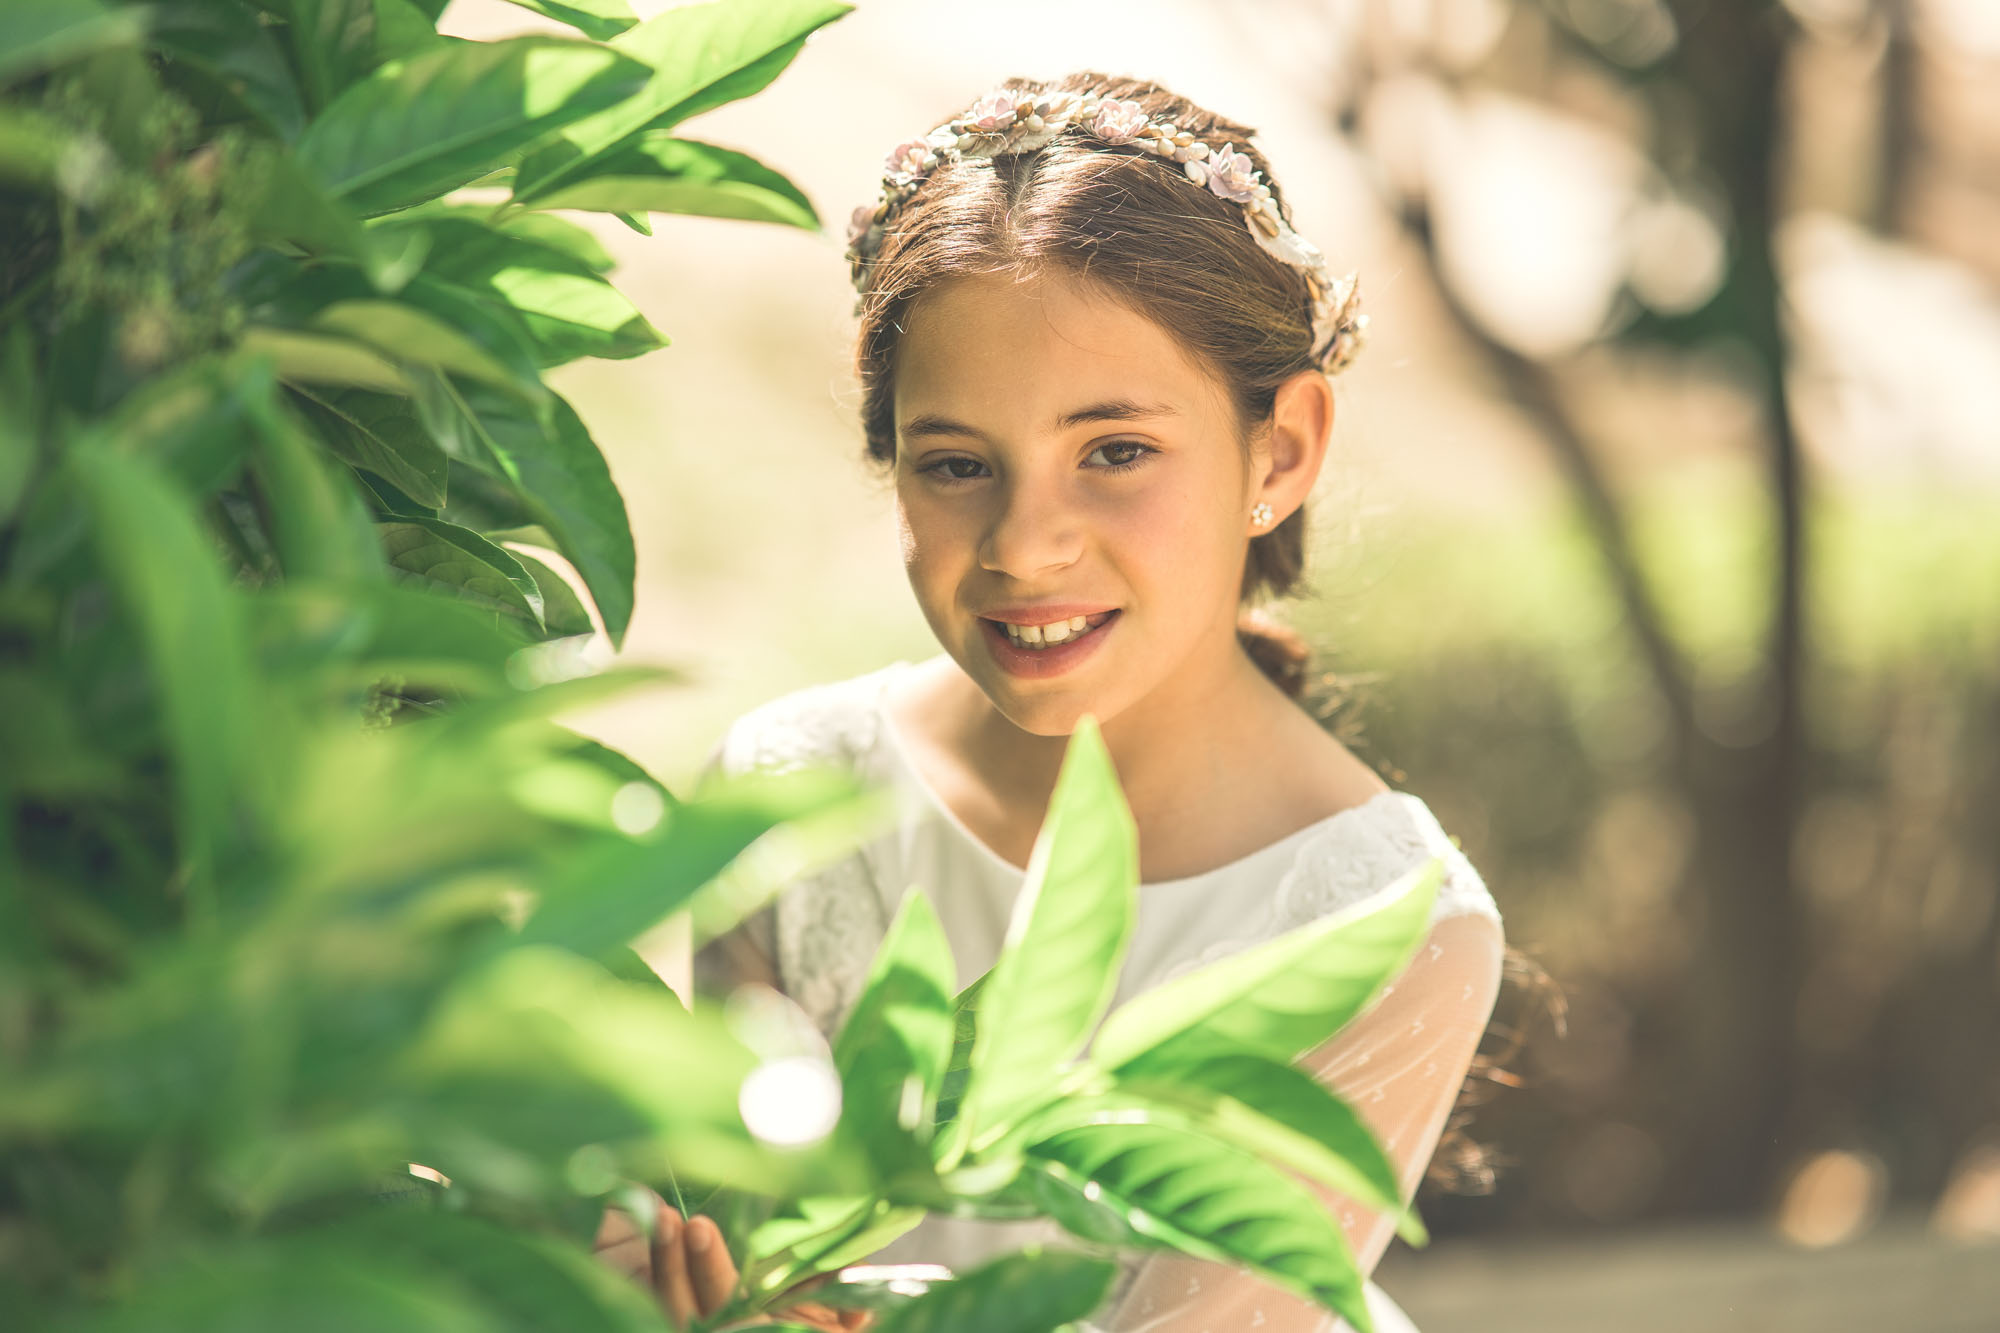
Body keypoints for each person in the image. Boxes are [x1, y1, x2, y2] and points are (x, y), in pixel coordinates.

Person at [600, 70, 1517, 1333]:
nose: (1024, 547)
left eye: (1116, 452)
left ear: (1281, 450)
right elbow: (751, 1243)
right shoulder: (786, 798)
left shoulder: (1387, 922)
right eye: (958, 465)